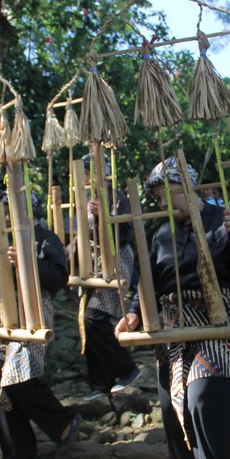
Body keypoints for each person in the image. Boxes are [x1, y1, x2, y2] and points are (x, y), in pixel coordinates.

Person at [114, 156, 230, 459]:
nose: (162, 203)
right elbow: (147, 281)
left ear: (186, 187)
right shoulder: (161, 233)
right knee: (170, 403)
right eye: (158, 197)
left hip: (218, 318)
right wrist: (132, 312)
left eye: (166, 194)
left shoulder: (223, 218)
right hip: (174, 324)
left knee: (204, 399)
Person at [0, 195, 81, 459]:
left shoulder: (46, 238)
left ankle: (63, 421)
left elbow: (59, 277)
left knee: (20, 377)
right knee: (1, 382)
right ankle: (18, 456)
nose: (7, 217)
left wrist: (26, 261)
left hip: (33, 312)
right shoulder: (3, 238)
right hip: (6, 314)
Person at [79, 152, 141, 402]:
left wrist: (103, 216)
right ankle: (99, 382)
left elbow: (124, 234)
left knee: (95, 316)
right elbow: (82, 236)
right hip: (92, 261)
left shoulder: (116, 196)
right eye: (84, 171)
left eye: (89, 170)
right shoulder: (83, 198)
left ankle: (126, 368)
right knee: (86, 321)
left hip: (115, 257)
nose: (87, 175)